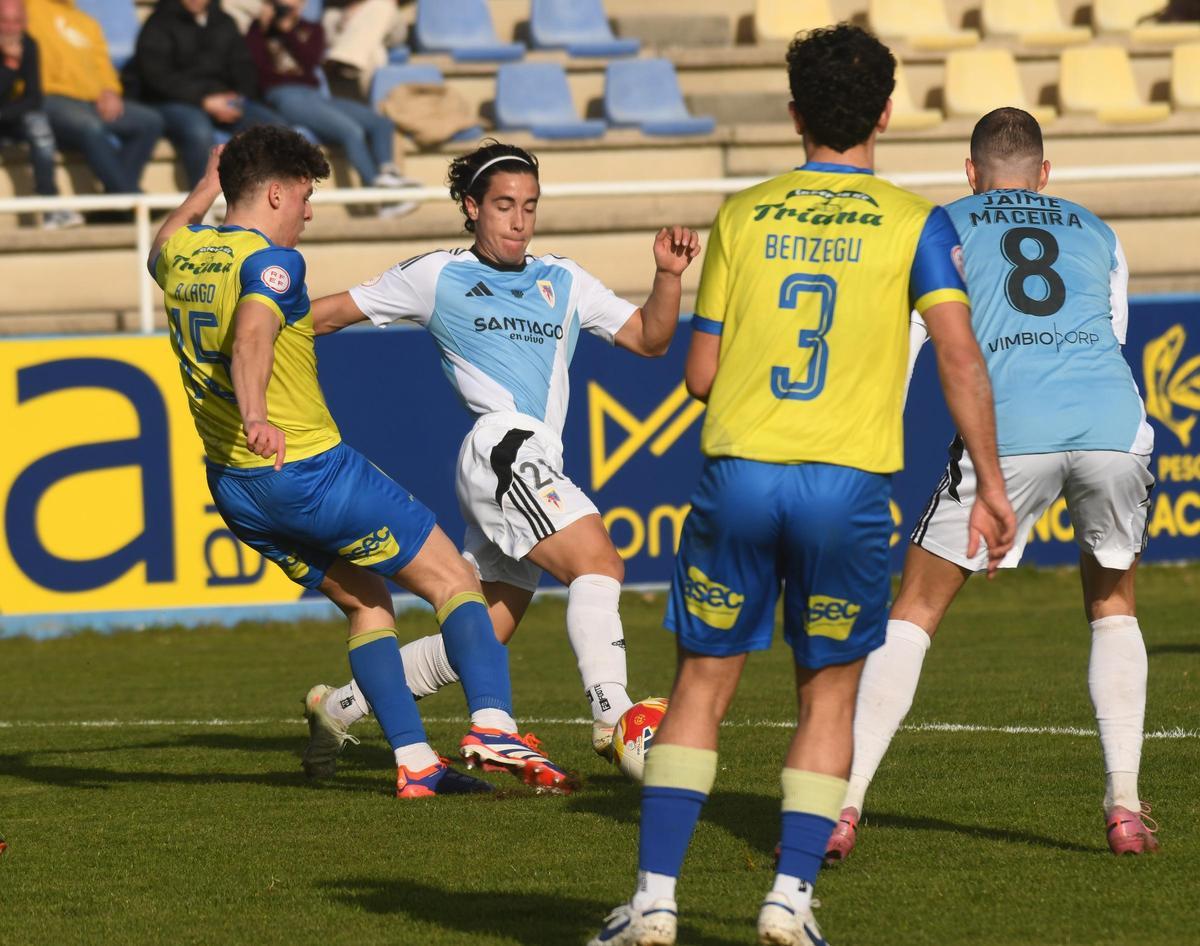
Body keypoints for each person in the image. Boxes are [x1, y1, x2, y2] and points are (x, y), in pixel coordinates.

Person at [591, 25, 1016, 946]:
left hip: (742, 471)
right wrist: (988, 479)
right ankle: (787, 898)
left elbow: (699, 376)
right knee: (828, 695)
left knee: (701, 687)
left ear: (793, 114)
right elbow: (956, 353)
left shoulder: (744, 213)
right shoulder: (918, 223)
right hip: (849, 487)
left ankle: (656, 902)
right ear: (888, 114)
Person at [149, 125, 572, 797]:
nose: (309, 214)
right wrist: (257, 411)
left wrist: (205, 187)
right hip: (308, 469)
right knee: (453, 580)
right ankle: (493, 725)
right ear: (278, 194)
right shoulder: (270, 264)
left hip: (235, 486)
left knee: (369, 604)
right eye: (306, 198)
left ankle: (416, 764)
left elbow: (162, 243)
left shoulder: (187, 255)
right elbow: (254, 333)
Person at [306, 140, 701, 774]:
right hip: (502, 448)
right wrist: (254, 328)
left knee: (483, 634)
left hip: (535, 456)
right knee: (599, 560)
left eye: (530, 207)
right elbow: (324, 317)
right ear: (472, 207)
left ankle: (341, 705)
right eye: (503, 206)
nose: (518, 221)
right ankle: (615, 716)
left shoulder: (565, 279)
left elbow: (651, 339)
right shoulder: (437, 274)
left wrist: (668, 277)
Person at [829, 107, 1159, 863]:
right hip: (1113, 422)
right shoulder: (1097, 229)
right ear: (1045, 175)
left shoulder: (940, 224)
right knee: (1112, 604)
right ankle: (1126, 807)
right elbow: (1112, 338)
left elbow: (908, 344)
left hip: (1011, 429)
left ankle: (842, 805)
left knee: (913, 610)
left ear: (970, 173)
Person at [245, 0, 419, 217]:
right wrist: (263, 28)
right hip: (283, 95)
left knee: (380, 123)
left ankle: (387, 173)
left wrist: (288, 31)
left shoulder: (311, 28)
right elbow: (259, 71)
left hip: (314, 95)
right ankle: (382, 199)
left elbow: (309, 63)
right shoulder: (258, 30)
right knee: (351, 131)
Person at [125, 0, 286, 189]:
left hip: (223, 99)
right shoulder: (158, 23)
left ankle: (272, 197)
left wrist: (238, 99)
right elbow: (155, 76)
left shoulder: (224, 22)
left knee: (275, 128)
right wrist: (203, 100)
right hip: (172, 101)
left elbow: (244, 67)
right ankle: (203, 200)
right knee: (198, 131)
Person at [24, 0, 163, 196]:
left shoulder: (87, 22)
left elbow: (103, 65)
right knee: (90, 127)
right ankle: (127, 197)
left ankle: (116, 197)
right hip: (49, 98)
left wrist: (110, 91)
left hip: (90, 101)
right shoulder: (29, 8)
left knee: (149, 121)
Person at [0, 0, 80, 227]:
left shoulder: (28, 44)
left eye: (17, 21)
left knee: (39, 125)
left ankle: (50, 206)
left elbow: (34, 98)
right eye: (4, 21)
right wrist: (10, 65)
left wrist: (6, 115)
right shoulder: (14, 53)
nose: (10, 28)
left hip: (8, 117)